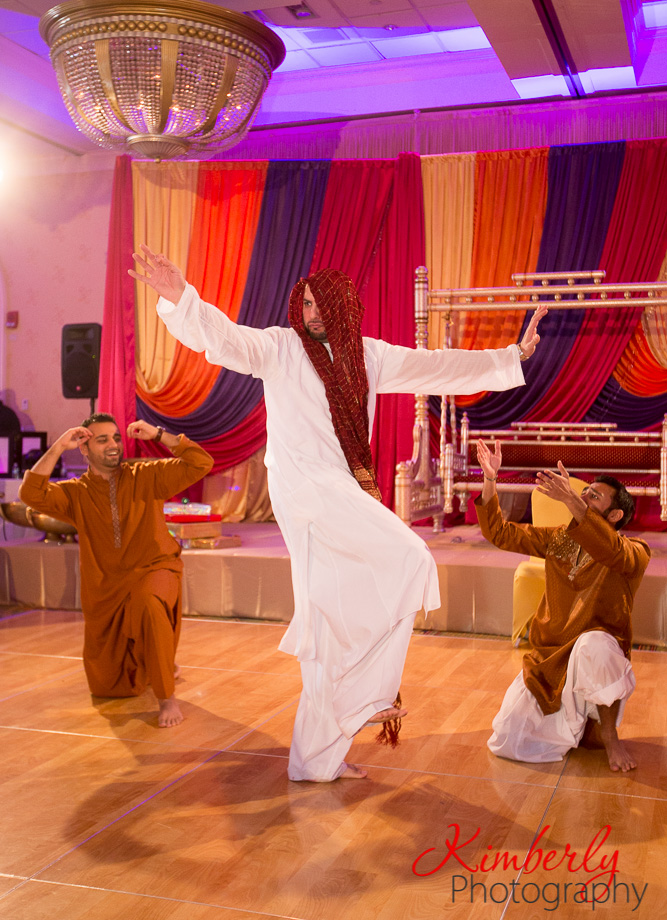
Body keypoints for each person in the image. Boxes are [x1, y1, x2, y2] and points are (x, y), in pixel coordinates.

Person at [130, 245, 546, 780]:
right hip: (303, 489)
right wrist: (179, 297)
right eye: (303, 305)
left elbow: (436, 366)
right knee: (412, 557)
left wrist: (510, 357)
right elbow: (226, 340)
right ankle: (368, 696)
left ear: (344, 303)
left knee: (328, 629)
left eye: (319, 303)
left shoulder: (371, 357)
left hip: (343, 490)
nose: (311, 314)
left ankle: (317, 760)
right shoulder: (280, 348)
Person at [20, 414, 213, 727]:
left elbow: (199, 463)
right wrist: (57, 447)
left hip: (156, 567)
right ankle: (156, 664)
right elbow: (31, 494)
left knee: (149, 603)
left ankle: (167, 698)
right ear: (84, 449)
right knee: (109, 688)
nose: (113, 445)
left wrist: (160, 435)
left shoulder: (146, 475)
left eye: (116, 438)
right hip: (107, 586)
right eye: (102, 439)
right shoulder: (75, 493)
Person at [475, 440, 650, 772]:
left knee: (593, 644)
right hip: (551, 660)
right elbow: (500, 532)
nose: (583, 497)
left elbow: (609, 549)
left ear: (616, 515)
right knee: (507, 740)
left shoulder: (634, 553)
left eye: (593, 496)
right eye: (583, 493)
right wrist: (490, 479)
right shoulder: (559, 539)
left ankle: (609, 735)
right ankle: (573, 729)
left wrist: (570, 497)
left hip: (599, 664)